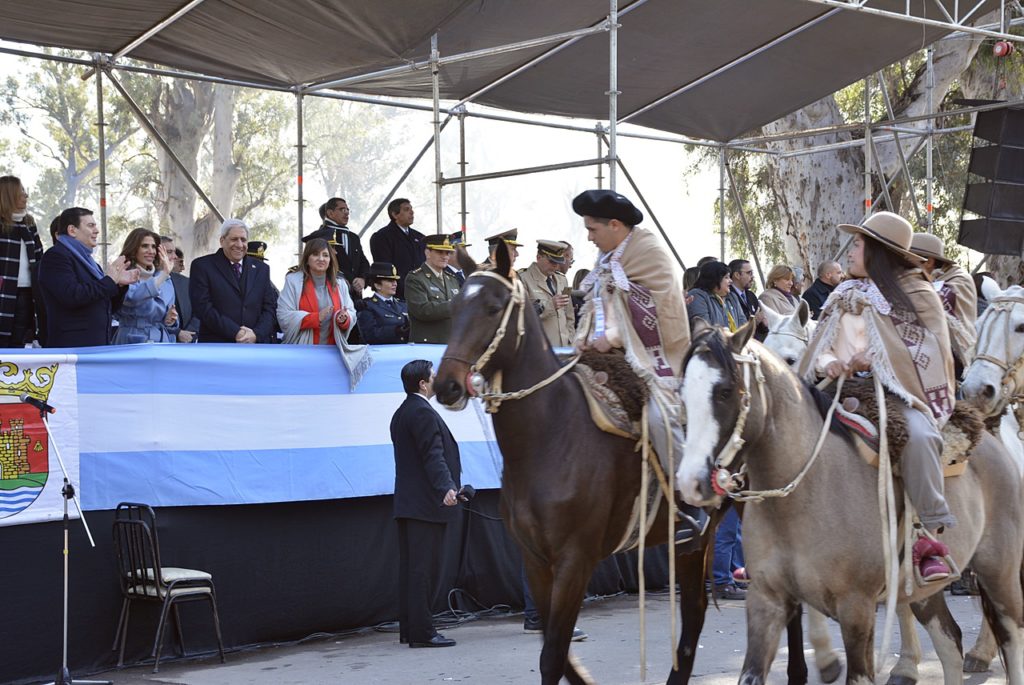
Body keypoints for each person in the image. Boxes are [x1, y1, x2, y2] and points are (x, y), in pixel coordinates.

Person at [798, 211, 956, 582]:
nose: (851, 252)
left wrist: (877, 357)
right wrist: (830, 363)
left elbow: (932, 348)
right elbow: (820, 345)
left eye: (858, 244)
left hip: (896, 392)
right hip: (838, 390)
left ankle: (928, 537)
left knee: (919, 436)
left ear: (879, 252)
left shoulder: (918, 293)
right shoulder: (841, 294)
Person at [571, 189, 705, 547]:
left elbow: (660, 310)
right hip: (603, 356)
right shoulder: (607, 258)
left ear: (615, 225)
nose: (589, 237)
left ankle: (688, 500)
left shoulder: (649, 253)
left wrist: (613, 337)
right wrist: (584, 338)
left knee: (659, 418)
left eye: (593, 229)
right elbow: (598, 305)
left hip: (650, 359)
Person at [391, 359, 461, 648]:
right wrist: (446, 487)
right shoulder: (421, 412)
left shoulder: (402, 412)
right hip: (424, 505)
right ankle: (422, 633)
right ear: (423, 383)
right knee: (423, 570)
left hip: (410, 504)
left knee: (412, 569)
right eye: (433, 376)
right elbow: (432, 454)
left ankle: (411, 629)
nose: (437, 379)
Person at [39, 207, 139, 347]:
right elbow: (72, 295)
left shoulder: (91, 263)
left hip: (96, 345)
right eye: (91, 225)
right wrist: (109, 281)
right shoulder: (56, 256)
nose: (97, 231)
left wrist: (119, 285)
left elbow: (106, 306)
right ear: (72, 230)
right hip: (73, 347)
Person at [189, 218, 278, 343]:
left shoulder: (261, 269)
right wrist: (236, 332)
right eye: (234, 239)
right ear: (222, 241)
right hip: (217, 344)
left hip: (255, 345)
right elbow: (202, 307)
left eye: (243, 240)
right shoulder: (202, 266)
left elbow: (270, 308)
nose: (239, 245)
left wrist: (256, 334)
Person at [910, 232, 978, 373]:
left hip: (957, 361)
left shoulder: (959, 279)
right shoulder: (924, 279)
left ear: (928, 262)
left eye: (908, 260)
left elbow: (932, 304)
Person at [277, 237, 356, 346]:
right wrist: (315, 318)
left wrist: (344, 319)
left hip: (333, 350)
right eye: (315, 254)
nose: (321, 259)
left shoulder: (341, 283)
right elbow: (283, 316)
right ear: (307, 259)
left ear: (330, 260)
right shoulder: (293, 281)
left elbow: (352, 313)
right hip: (302, 350)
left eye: (325, 255)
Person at [0, 176, 44, 347]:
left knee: (19, 341)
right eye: (21, 192)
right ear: (9, 195)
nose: (26, 196)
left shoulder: (29, 223)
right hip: (4, 292)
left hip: (27, 293)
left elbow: (39, 256)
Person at [112, 228, 178, 344]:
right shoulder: (123, 274)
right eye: (144, 246)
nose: (151, 251)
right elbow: (133, 298)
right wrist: (163, 275)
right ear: (134, 249)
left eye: (153, 247)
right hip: (132, 339)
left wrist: (169, 319)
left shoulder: (165, 279)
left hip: (161, 340)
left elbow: (167, 313)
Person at [304, 198, 370, 300]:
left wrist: (362, 279)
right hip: (330, 293)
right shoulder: (319, 236)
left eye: (347, 210)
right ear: (330, 213)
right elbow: (313, 265)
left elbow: (363, 262)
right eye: (342, 209)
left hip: (355, 296)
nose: (346, 213)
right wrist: (340, 278)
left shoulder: (353, 237)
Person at [405, 235, 461, 344]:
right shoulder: (415, 278)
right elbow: (422, 310)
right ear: (428, 253)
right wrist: (454, 305)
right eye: (440, 252)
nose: (445, 256)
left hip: (451, 343)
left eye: (447, 253)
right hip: (428, 344)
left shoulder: (452, 279)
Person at [519, 240, 575, 347]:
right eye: (552, 261)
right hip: (540, 349)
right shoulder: (523, 279)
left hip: (564, 347)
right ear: (539, 257)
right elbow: (523, 317)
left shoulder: (562, 279)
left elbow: (569, 315)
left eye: (558, 262)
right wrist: (551, 305)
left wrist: (570, 338)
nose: (555, 266)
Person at [369, 198, 424, 299]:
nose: (412, 212)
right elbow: (385, 268)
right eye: (406, 209)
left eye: (411, 209)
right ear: (394, 214)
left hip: (421, 292)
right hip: (398, 294)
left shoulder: (420, 237)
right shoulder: (382, 237)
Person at [357, 262, 410, 344]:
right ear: (377, 285)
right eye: (390, 281)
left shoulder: (403, 305)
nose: (395, 284)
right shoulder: (367, 306)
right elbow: (370, 335)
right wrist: (395, 330)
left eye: (395, 280)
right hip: (381, 350)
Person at [162, 236, 199, 343]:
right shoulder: (142, 280)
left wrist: (189, 334)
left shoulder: (186, 282)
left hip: (185, 344)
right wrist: (177, 333)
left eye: (174, 252)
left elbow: (198, 311)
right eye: (169, 252)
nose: (174, 257)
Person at [686, 261, 738, 331]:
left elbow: (742, 322)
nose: (731, 281)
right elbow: (704, 330)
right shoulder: (697, 295)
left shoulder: (731, 297)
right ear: (714, 278)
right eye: (726, 277)